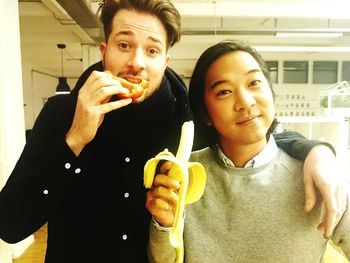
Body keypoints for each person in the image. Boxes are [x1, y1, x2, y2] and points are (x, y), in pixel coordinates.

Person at [0, 0, 345, 262]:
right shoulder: (63, 114)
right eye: (124, 45)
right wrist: (74, 139)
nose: (137, 61)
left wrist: (315, 150)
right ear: (104, 52)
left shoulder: (187, 121)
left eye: (151, 50)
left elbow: (248, 126)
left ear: (165, 62)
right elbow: (11, 225)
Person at [146, 40, 350, 263]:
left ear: (271, 92)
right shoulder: (184, 177)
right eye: (224, 92)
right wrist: (163, 225)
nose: (244, 102)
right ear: (205, 113)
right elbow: (163, 260)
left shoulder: (316, 176)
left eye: (254, 82)